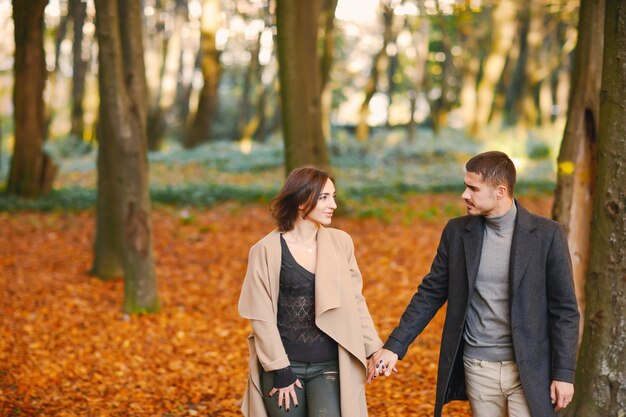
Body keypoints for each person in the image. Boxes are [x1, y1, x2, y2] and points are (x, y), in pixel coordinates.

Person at [368, 151, 579, 417]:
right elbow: (430, 293)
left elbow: (565, 311)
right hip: (478, 367)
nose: (464, 195)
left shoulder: (547, 235)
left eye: (473, 188)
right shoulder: (457, 233)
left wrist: (564, 372)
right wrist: (394, 346)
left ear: (500, 191)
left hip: (531, 369)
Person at [239, 166, 383, 417]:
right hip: (283, 366)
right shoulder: (265, 250)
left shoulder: (341, 243)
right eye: (324, 197)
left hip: (330, 365)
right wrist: (280, 370)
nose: (333, 205)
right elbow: (260, 317)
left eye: (333, 196)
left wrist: (373, 348)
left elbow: (356, 302)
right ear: (301, 201)